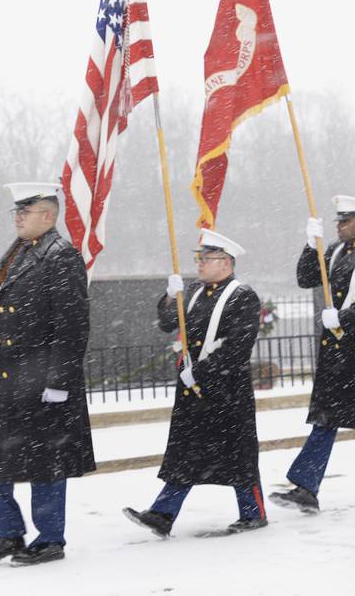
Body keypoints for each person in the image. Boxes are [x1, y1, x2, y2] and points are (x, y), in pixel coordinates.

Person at [0, 182, 95, 566]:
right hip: (6, 379)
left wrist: (58, 382)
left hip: (40, 380)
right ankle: (5, 533)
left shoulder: (61, 256)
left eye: (25, 212)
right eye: (15, 211)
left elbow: (71, 326)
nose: (17, 217)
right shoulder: (17, 254)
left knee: (45, 463)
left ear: (48, 215)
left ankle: (50, 540)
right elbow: (1, 318)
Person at [269, 195, 355, 513]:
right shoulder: (333, 251)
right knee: (326, 419)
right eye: (338, 221)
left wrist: (344, 317)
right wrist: (310, 246)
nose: (339, 226)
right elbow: (306, 278)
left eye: (345, 221)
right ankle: (306, 487)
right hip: (339, 351)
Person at [123, 229, 266, 537]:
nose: (200, 264)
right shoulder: (195, 292)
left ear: (226, 262)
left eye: (207, 258)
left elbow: (238, 347)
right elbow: (168, 323)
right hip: (192, 388)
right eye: (199, 258)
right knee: (186, 451)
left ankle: (253, 513)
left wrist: (202, 371)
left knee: (238, 452)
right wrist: (170, 297)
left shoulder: (242, 296)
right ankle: (163, 513)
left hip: (227, 388)